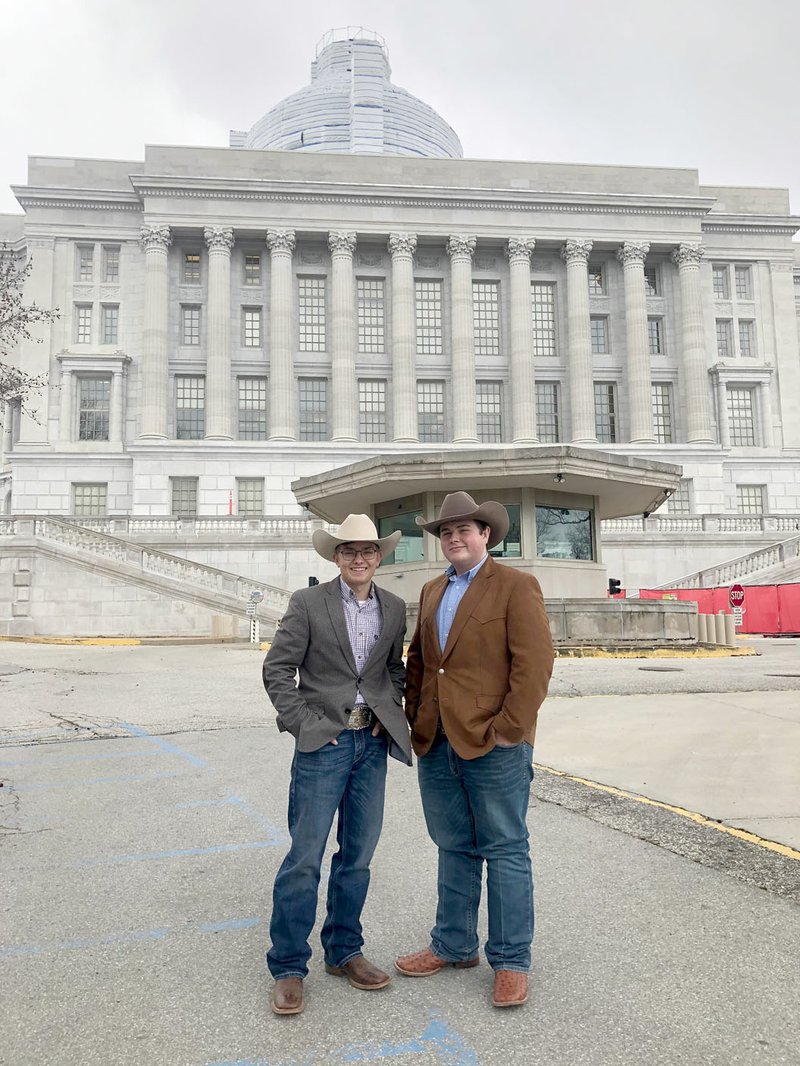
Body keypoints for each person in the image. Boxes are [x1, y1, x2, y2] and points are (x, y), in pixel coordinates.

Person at [395, 492, 554, 1008]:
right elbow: (421, 663)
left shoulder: (515, 585)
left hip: (494, 740)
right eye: (446, 532)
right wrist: (415, 719)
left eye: (464, 529)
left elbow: (534, 664)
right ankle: (454, 944)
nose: (455, 538)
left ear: (486, 534)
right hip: (437, 740)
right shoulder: (432, 589)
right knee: (452, 844)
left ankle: (510, 960)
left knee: (505, 846)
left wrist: (511, 728)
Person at [263, 514, 411, 1016]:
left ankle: (344, 950)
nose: (359, 558)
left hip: (370, 745)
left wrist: (388, 710)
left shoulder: (393, 608)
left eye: (367, 550)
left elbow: (392, 669)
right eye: (348, 550)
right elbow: (278, 669)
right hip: (322, 744)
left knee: (358, 856)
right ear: (335, 556)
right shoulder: (308, 603)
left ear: (379, 556)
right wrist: (305, 723)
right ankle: (287, 965)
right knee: (304, 858)